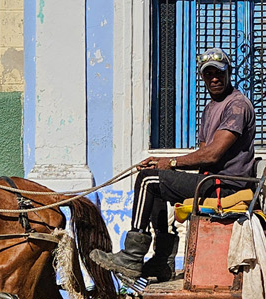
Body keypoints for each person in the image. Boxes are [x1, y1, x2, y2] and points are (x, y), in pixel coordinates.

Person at [92, 47, 257, 282]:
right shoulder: (211, 108)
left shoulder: (237, 105)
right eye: (209, 74)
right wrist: (164, 165)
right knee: (154, 178)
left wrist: (169, 163)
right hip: (211, 181)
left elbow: (212, 155)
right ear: (202, 77)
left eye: (219, 73)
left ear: (229, 72)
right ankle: (162, 259)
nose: (214, 79)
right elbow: (203, 154)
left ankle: (132, 255)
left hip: (227, 185)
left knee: (148, 180)